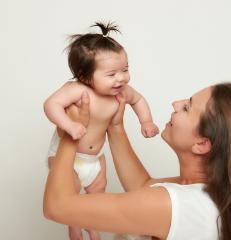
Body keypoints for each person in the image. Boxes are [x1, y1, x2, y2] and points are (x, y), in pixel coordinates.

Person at [44, 83, 231, 240]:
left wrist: (71, 133)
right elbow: (143, 186)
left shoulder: (174, 205)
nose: (176, 103)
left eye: (187, 107)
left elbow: (57, 206)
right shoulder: (203, 197)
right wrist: (116, 127)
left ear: (202, 144)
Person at [43, 22, 159, 240]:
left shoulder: (122, 91)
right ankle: (75, 227)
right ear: (85, 77)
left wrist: (147, 121)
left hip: (95, 158)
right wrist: (69, 126)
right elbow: (50, 105)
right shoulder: (77, 90)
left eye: (125, 70)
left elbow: (138, 100)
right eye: (112, 74)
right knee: (71, 193)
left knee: (98, 190)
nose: (121, 78)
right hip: (67, 156)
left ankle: (92, 226)